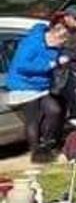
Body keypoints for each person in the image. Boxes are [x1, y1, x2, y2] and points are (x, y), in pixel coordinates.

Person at [8, 18, 69, 162]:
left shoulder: (54, 46)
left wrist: (60, 61)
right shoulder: (32, 44)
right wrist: (50, 64)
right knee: (33, 120)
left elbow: (55, 59)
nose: (60, 46)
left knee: (55, 110)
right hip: (23, 86)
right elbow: (22, 66)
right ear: (54, 36)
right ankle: (36, 153)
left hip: (40, 87)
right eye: (61, 42)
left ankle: (47, 143)